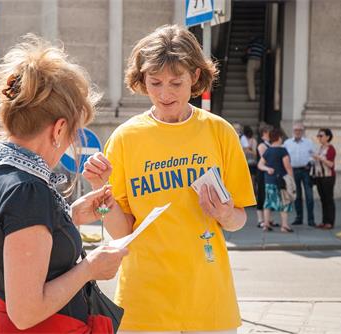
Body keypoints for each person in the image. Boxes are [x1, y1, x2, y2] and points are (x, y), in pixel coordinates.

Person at [83, 25, 256, 333]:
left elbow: (239, 220)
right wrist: (101, 192)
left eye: (176, 82)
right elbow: (122, 232)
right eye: (155, 82)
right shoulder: (125, 139)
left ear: (195, 78)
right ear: (142, 80)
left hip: (208, 302)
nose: (165, 93)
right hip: (144, 303)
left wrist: (226, 214)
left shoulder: (219, 133)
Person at [0, 35, 127, 333]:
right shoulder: (27, 191)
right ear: (59, 128)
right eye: (74, 132)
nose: (71, 141)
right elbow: (26, 312)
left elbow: (10, 245)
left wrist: (71, 216)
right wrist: (90, 269)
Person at [258, 128, 294, 233]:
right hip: (281, 182)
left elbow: (260, 165)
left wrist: (267, 169)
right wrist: (291, 180)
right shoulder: (282, 151)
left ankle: (266, 224)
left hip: (269, 181)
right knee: (284, 202)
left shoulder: (268, 150)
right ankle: (284, 225)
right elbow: (288, 167)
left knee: (268, 202)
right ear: (279, 138)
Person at [284, 122, 316, 227]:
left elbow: (313, 155)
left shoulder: (309, 142)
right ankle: (299, 218)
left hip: (306, 171)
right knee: (297, 196)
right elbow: (285, 157)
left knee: (309, 196)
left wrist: (310, 162)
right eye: (296, 130)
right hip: (293, 171)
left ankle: (311, 219)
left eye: (300, 130)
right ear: (293, 131)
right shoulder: (287, 143)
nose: (298, 132)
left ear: (303, 131)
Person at [313, 128, 337, 229]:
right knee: (323, 199)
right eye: (318, 136)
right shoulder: (320, 148)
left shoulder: (330, 148)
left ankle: (330, 222)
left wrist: (320, 158)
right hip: (319, 176)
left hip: (328, 176)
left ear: (328, 137)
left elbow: (331, 164)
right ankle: (324, 220)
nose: (319, 138)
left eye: (321, 136)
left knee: (328, 199)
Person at [255, 123, 274, 228]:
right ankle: (260, 219)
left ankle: (268, 219)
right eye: (269, 132)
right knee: (262, 195)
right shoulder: (262, 145)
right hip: (262, 173)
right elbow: (265, 158)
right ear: (264, 133)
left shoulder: (270, 144)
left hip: (268, 172)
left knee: (269, 196)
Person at [245, 36, 266, 101]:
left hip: (251, 61)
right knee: (254, 77)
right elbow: (266, 51)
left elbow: (248, 52)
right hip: (259, 62)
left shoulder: (252, 44)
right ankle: (254, 91)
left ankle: (252, 97)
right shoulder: (262, 45)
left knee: (250, 78)